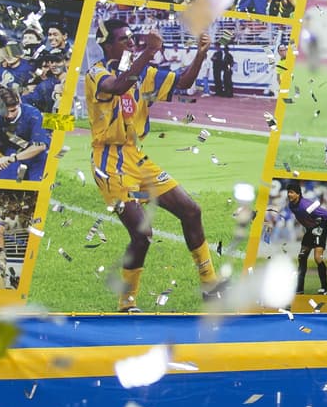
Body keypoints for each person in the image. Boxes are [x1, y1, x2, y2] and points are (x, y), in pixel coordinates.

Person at [85, 18, 224, 312]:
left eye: (133, 39)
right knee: (142, 234)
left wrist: (200, 53)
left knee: (191, 210)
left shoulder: (145, 73)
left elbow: (184, 83)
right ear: (107, 44)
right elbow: (120, 86)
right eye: (125, 40)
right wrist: (149, 51)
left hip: (136, 156)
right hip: (109, 163)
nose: (131, 43)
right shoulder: (96, 74)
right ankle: (127, 303)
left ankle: (210, 285)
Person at [0, 87, 49, 181]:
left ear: (19, 103)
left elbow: (40, 146)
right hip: (12, 149)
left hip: (35, 151)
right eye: (5, 112)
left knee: (36, 185)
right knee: (5, 183)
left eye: (13, 111)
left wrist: (13, 158)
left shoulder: (33, 115)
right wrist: (1, 157)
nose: (9, 115)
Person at [284, 179, 327, 294]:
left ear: (298, 194)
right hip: (310, 230)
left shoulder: (306, 205)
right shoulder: (291, 205)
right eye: (288, 192)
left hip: (320, 228)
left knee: (317, 258)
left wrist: (319, 227)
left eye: (291, 192)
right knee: (302, 257)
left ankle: (325, 289)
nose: (289, 194)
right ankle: (299, 289)